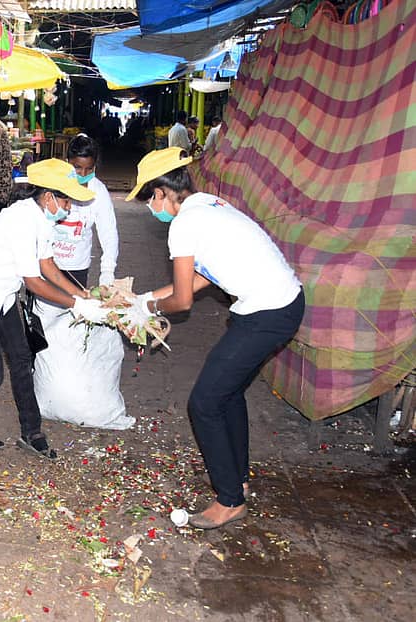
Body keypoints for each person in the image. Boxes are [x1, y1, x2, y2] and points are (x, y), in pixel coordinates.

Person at [124, 147, 304, 529]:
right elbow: (202, 277)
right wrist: (142, 300)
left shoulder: (184, 225)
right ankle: (236, 481)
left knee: (204, 403)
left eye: (149, 199)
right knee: (227, 393)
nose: (151, 208)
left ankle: (229, 501)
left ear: (161, 192)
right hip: (282, 304)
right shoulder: (207, 205)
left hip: (267, 311)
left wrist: (150, 309)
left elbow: (183, 300)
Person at [0, 158, 111, 459]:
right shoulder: (21, 221)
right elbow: (34, 283)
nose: (69, 208)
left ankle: (32, 431)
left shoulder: (44, 220)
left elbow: (47, 265)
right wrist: (76, 305)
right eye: (66, 200)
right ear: (48, 197)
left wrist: (83, 294)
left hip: (3, 294)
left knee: (22, 360)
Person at [51, 134, 119, 287]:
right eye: (77, 167)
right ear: (67, 162)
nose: (83, 174)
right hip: (49, 263)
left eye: (89, 169)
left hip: (78, 266)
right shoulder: (55, 184)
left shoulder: (98, 191)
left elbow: (108, 232)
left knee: (75, 300)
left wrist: (107, 270)